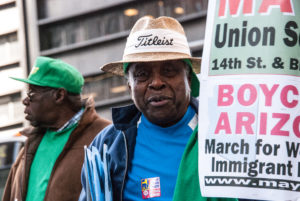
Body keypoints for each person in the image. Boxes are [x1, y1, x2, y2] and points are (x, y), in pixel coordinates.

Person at [79, 16, 237, 201]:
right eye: (142, 74)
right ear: (130, 86)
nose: (156, 83)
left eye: (168, 71)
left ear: (188, 78)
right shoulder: (106, 145)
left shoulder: (227, 134)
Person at [2, 56, 111, 201]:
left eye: (31, 94)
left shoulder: (105, 136)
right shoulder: (29, 145)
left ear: (59, 95)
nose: (25, 101)